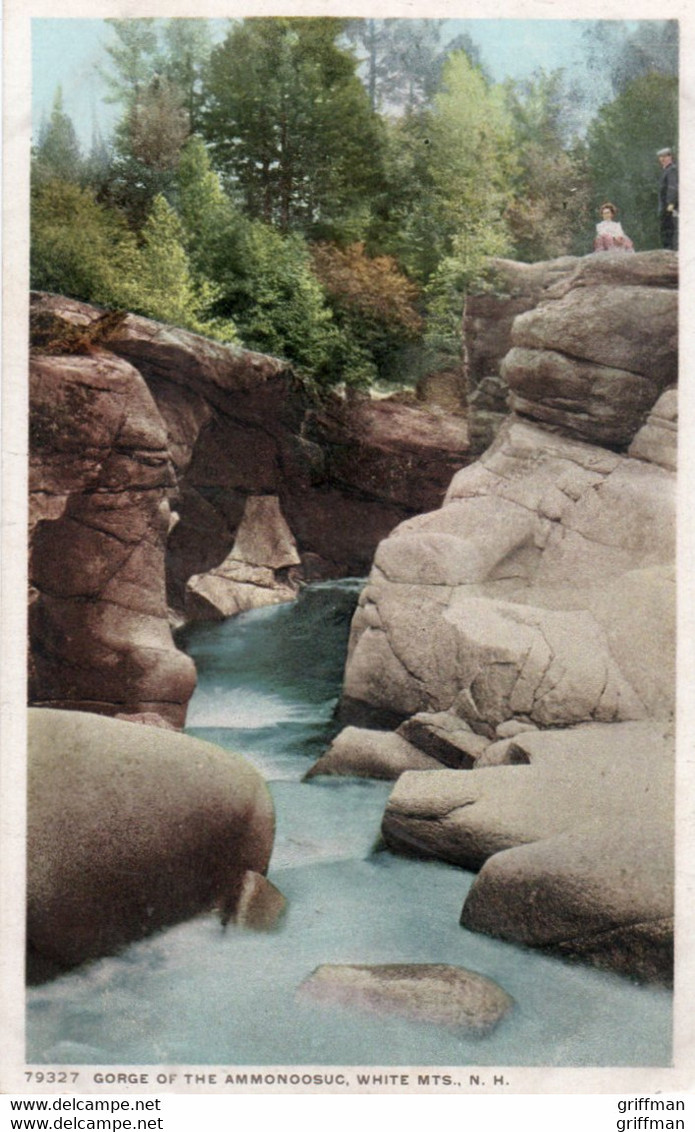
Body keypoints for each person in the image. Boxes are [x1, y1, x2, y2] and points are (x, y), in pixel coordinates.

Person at [657, 147, 678, 250]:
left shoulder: (672, 169)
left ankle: (669, 250)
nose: (662, 159)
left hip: (668, 206)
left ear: (670, 157)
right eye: (661, 157)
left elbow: (672, 187)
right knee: (664, 228)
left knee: (668, 228)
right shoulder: (665, 170)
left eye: (665, 156)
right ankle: (667, 249)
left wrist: (671, 203)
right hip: (663, 205)